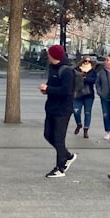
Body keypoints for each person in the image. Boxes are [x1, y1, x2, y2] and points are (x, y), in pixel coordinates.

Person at [39, 44, 76, 178]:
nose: (47, 56)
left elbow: (67, 91)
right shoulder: (52, 68)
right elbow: (53, 86)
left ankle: (60, 167)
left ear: (53, 56)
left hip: (63, 110)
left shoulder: (66, 71)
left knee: (59, 138)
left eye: (49, 54)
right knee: (48, 134)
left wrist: (49, 89)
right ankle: (66, 155)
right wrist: (46, 90)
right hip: (51, 107)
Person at [72, 56, 97, 138]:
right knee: (76, 111)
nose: (86, 62)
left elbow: (94, 80)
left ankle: (86, 130)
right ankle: (79, 124)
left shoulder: (93, 71)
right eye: (85, 61)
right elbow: (73, 79)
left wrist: (84, 79)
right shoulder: (76, 69)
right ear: (82, 61)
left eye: (89, 61)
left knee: (87, 112)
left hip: (89, 94)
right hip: (78, 94)